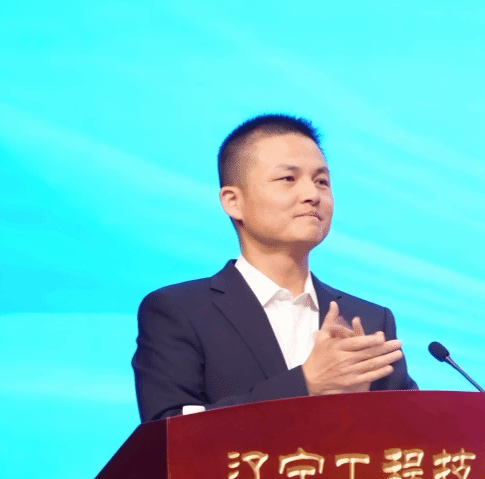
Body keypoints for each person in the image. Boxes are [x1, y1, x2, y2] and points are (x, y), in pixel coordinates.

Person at [132, 114, 416, 423]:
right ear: (233, 201)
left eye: (321, 181)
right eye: (288, 179)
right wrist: (305, 384)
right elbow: (167, 432)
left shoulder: (371, 320)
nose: (312, 195)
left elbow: (412, 432)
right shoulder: (179, 311)